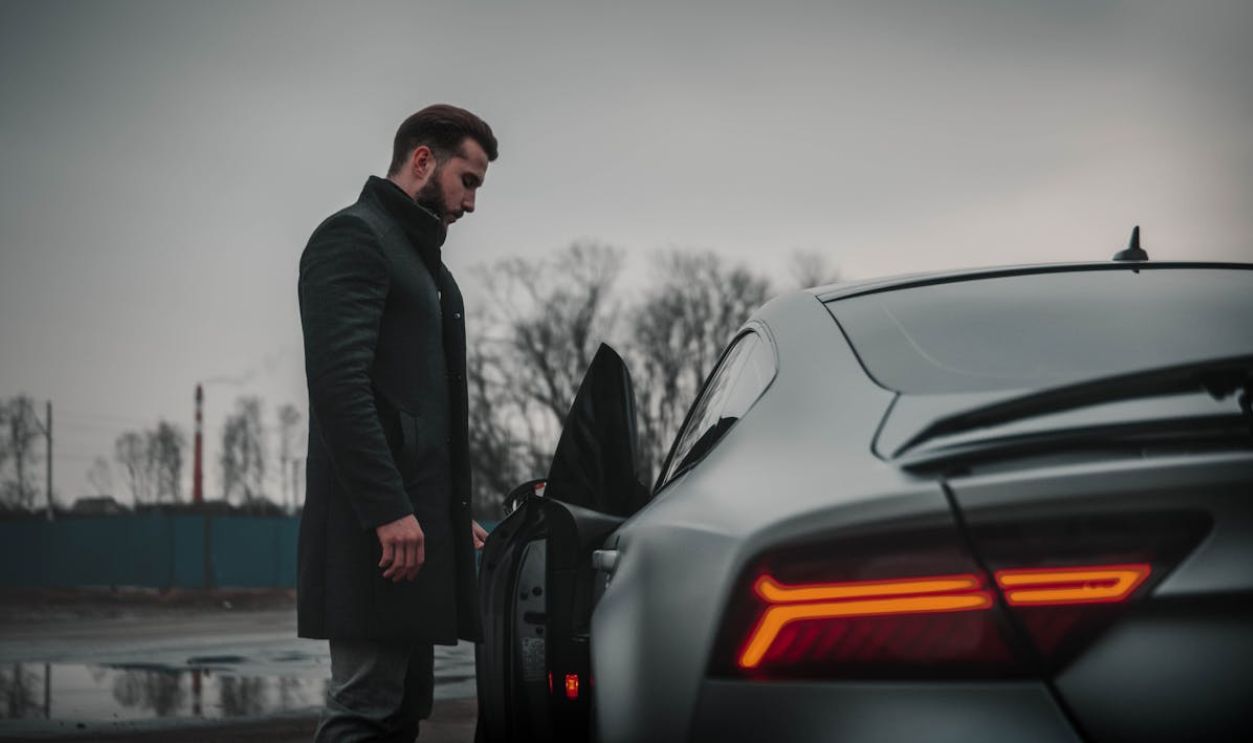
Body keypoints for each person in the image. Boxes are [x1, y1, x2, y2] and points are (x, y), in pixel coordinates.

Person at [296, 104, 498, 741]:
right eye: (468, 181)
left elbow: (414, 410)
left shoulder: (424, 266)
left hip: (413, 530)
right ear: (422, 160)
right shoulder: (355, 237)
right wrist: (388, 508)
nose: (471, 203)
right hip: (377, 534)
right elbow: (339, 388)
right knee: (365, 709)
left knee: (402, 714)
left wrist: (445, 509)